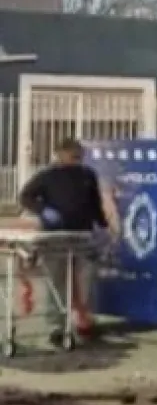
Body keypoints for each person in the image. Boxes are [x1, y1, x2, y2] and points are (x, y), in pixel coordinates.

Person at [18, 137, 111, 344]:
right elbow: (25, 197)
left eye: (79, 154)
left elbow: (95, 203)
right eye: (71, 154)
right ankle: (57, 326)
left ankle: (84, 322)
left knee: (86, 281)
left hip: (83, 236)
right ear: (59, 155)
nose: (76, 158)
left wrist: (103, 226)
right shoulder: (47, 176)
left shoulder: (88, 175)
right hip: (55, 237)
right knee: (57, 282)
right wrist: (43, 210)